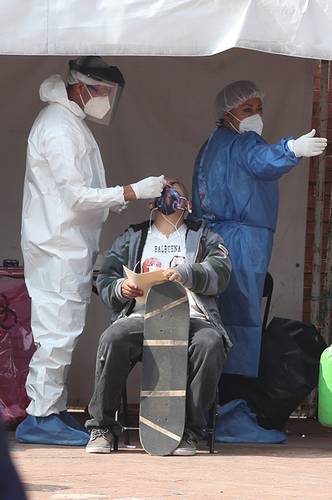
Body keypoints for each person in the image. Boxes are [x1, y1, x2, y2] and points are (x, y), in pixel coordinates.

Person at [16, 56, 166, 446]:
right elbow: (75, 195)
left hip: (65, 243)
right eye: (101, 92)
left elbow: (82, 189)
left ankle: (52, 407)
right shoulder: (58, 128)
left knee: (63, 328)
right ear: (80, 87)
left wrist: (116, 199)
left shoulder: (68, 122)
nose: (104, 100)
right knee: (56, 332)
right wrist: (131, 192)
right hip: (56, 245)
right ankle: (40, 417)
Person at [191, 80, 327, 380]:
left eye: (259, 108)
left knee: (217, 315)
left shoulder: (212, 144)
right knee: (241, 319)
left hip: (212, 241)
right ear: (228, 112)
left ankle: (212, 396)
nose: (256, 114)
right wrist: (291, 148)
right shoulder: (244, 144)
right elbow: (263, 161)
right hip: (241, 245)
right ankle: (235, 398)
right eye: (247, 108)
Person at [85, 181, 232, 455]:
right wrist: (121, 288)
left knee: (210, 343)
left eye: (176, 191)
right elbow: (106, 276)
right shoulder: (134, 236)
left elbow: (221, 270)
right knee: (113, 338)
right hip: (141, 316)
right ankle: (102, 428)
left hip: (191, 316)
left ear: (187, 204)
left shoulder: (204, 235)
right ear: (152, 201)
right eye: (164, 191)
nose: (169, 195)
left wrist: (188, 273)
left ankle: (190, 432)